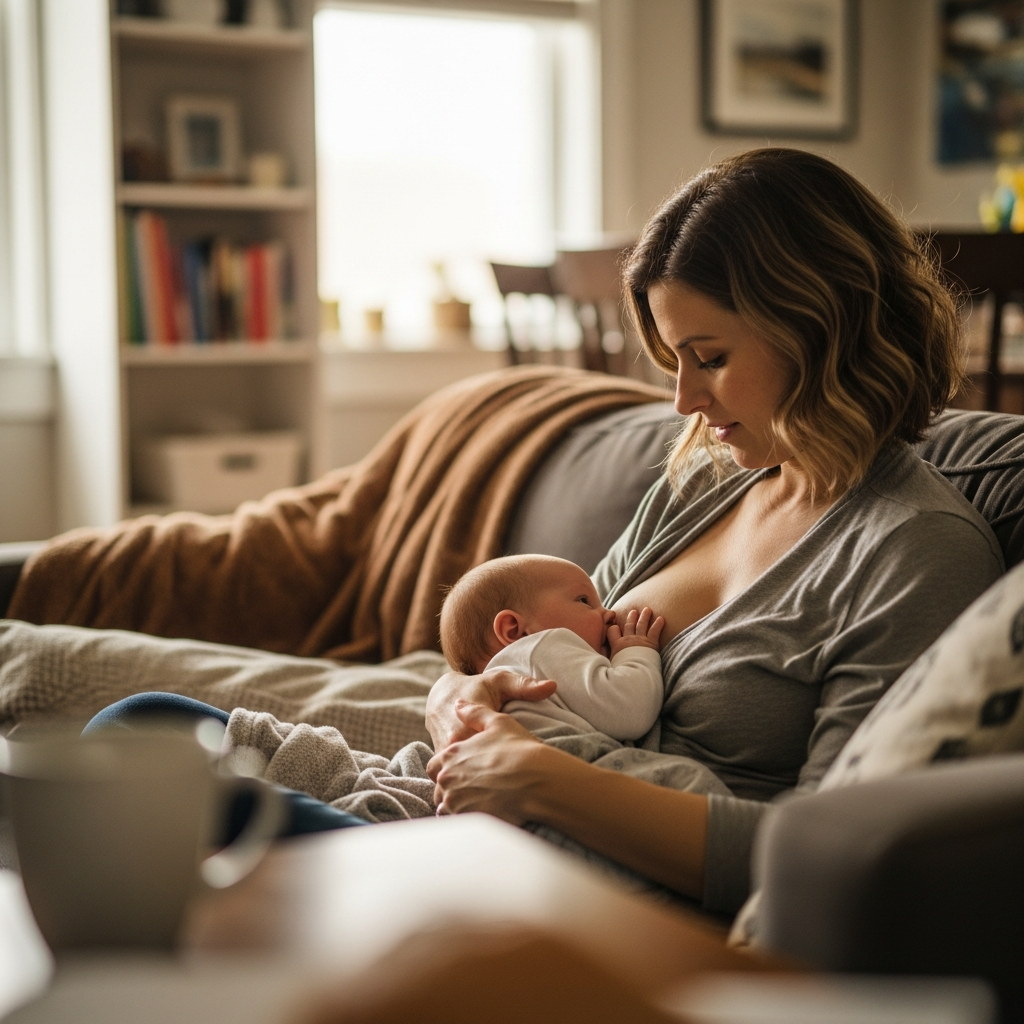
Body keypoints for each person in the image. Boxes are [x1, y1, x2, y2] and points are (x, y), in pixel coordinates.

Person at [421, 147, 1004, 915]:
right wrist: (457, 701)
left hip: (627, 912)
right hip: (505, 853)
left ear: (820, 329)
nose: (683, 400)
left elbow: (833, 859)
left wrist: (538, 779)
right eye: (674, 360)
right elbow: (537, 650)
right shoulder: (706, 479)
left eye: (711, 358)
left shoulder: (918, 554)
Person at [440, 553, 665, 740]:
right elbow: (631, 712)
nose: (610, 613)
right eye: (584, 600)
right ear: (514, 630)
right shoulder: (540, 649)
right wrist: (636, 650)